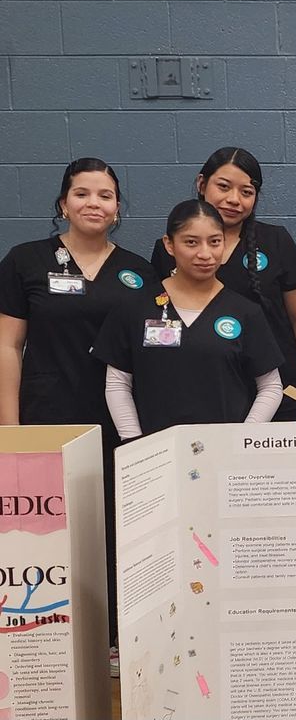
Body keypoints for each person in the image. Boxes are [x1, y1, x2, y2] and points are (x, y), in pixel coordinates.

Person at [0, 158, 155, 652]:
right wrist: (11, 429)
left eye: (106, 195)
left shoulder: (138, 271)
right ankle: (49, 636)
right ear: (63, 202)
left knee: (115, 527)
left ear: (117, 208)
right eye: (83, 193)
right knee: (49, 529)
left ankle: (113, 638)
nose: (94, 203)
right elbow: (7, 346)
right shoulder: (25, 260)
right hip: (47, 414)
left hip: (119, 420)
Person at [151, 148, 296, 420]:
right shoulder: (168, 250)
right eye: (223, 186)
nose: (234, 200)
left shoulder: (276, 241)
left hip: (277, 391)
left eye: (246, 191)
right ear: (201, 184)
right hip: (206, 391)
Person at [95, 200, 284, 438]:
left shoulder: (245, 312)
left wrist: (242, 439)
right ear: (169, 245)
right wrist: (134, 442)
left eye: (214, 242)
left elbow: (271, 386)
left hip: (223, 455)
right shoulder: (134, 307)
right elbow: (117, 383)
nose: (204, 254)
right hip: (155, 455)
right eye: (191, 242)